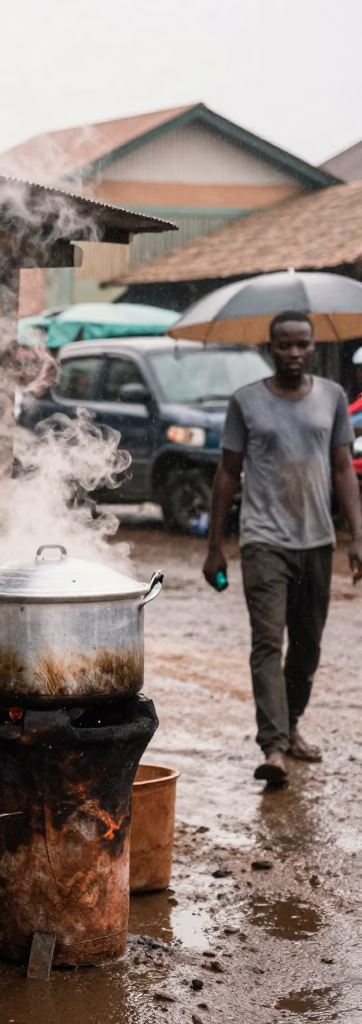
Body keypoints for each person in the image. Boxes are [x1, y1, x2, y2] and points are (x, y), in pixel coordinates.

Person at [203, 310, 362, 787]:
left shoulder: (332, 397)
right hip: (263, 540)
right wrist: (215, 547)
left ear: (312, 347)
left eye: (302, 345)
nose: (294, 353)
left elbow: (342, 470)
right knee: (268, 643)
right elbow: (227, 473)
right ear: (270, 348)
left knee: (307, 645)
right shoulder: (246, 402)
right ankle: (272, 746)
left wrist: (358, 536)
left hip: (317, 541)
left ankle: (291, 729)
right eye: (284, 345)